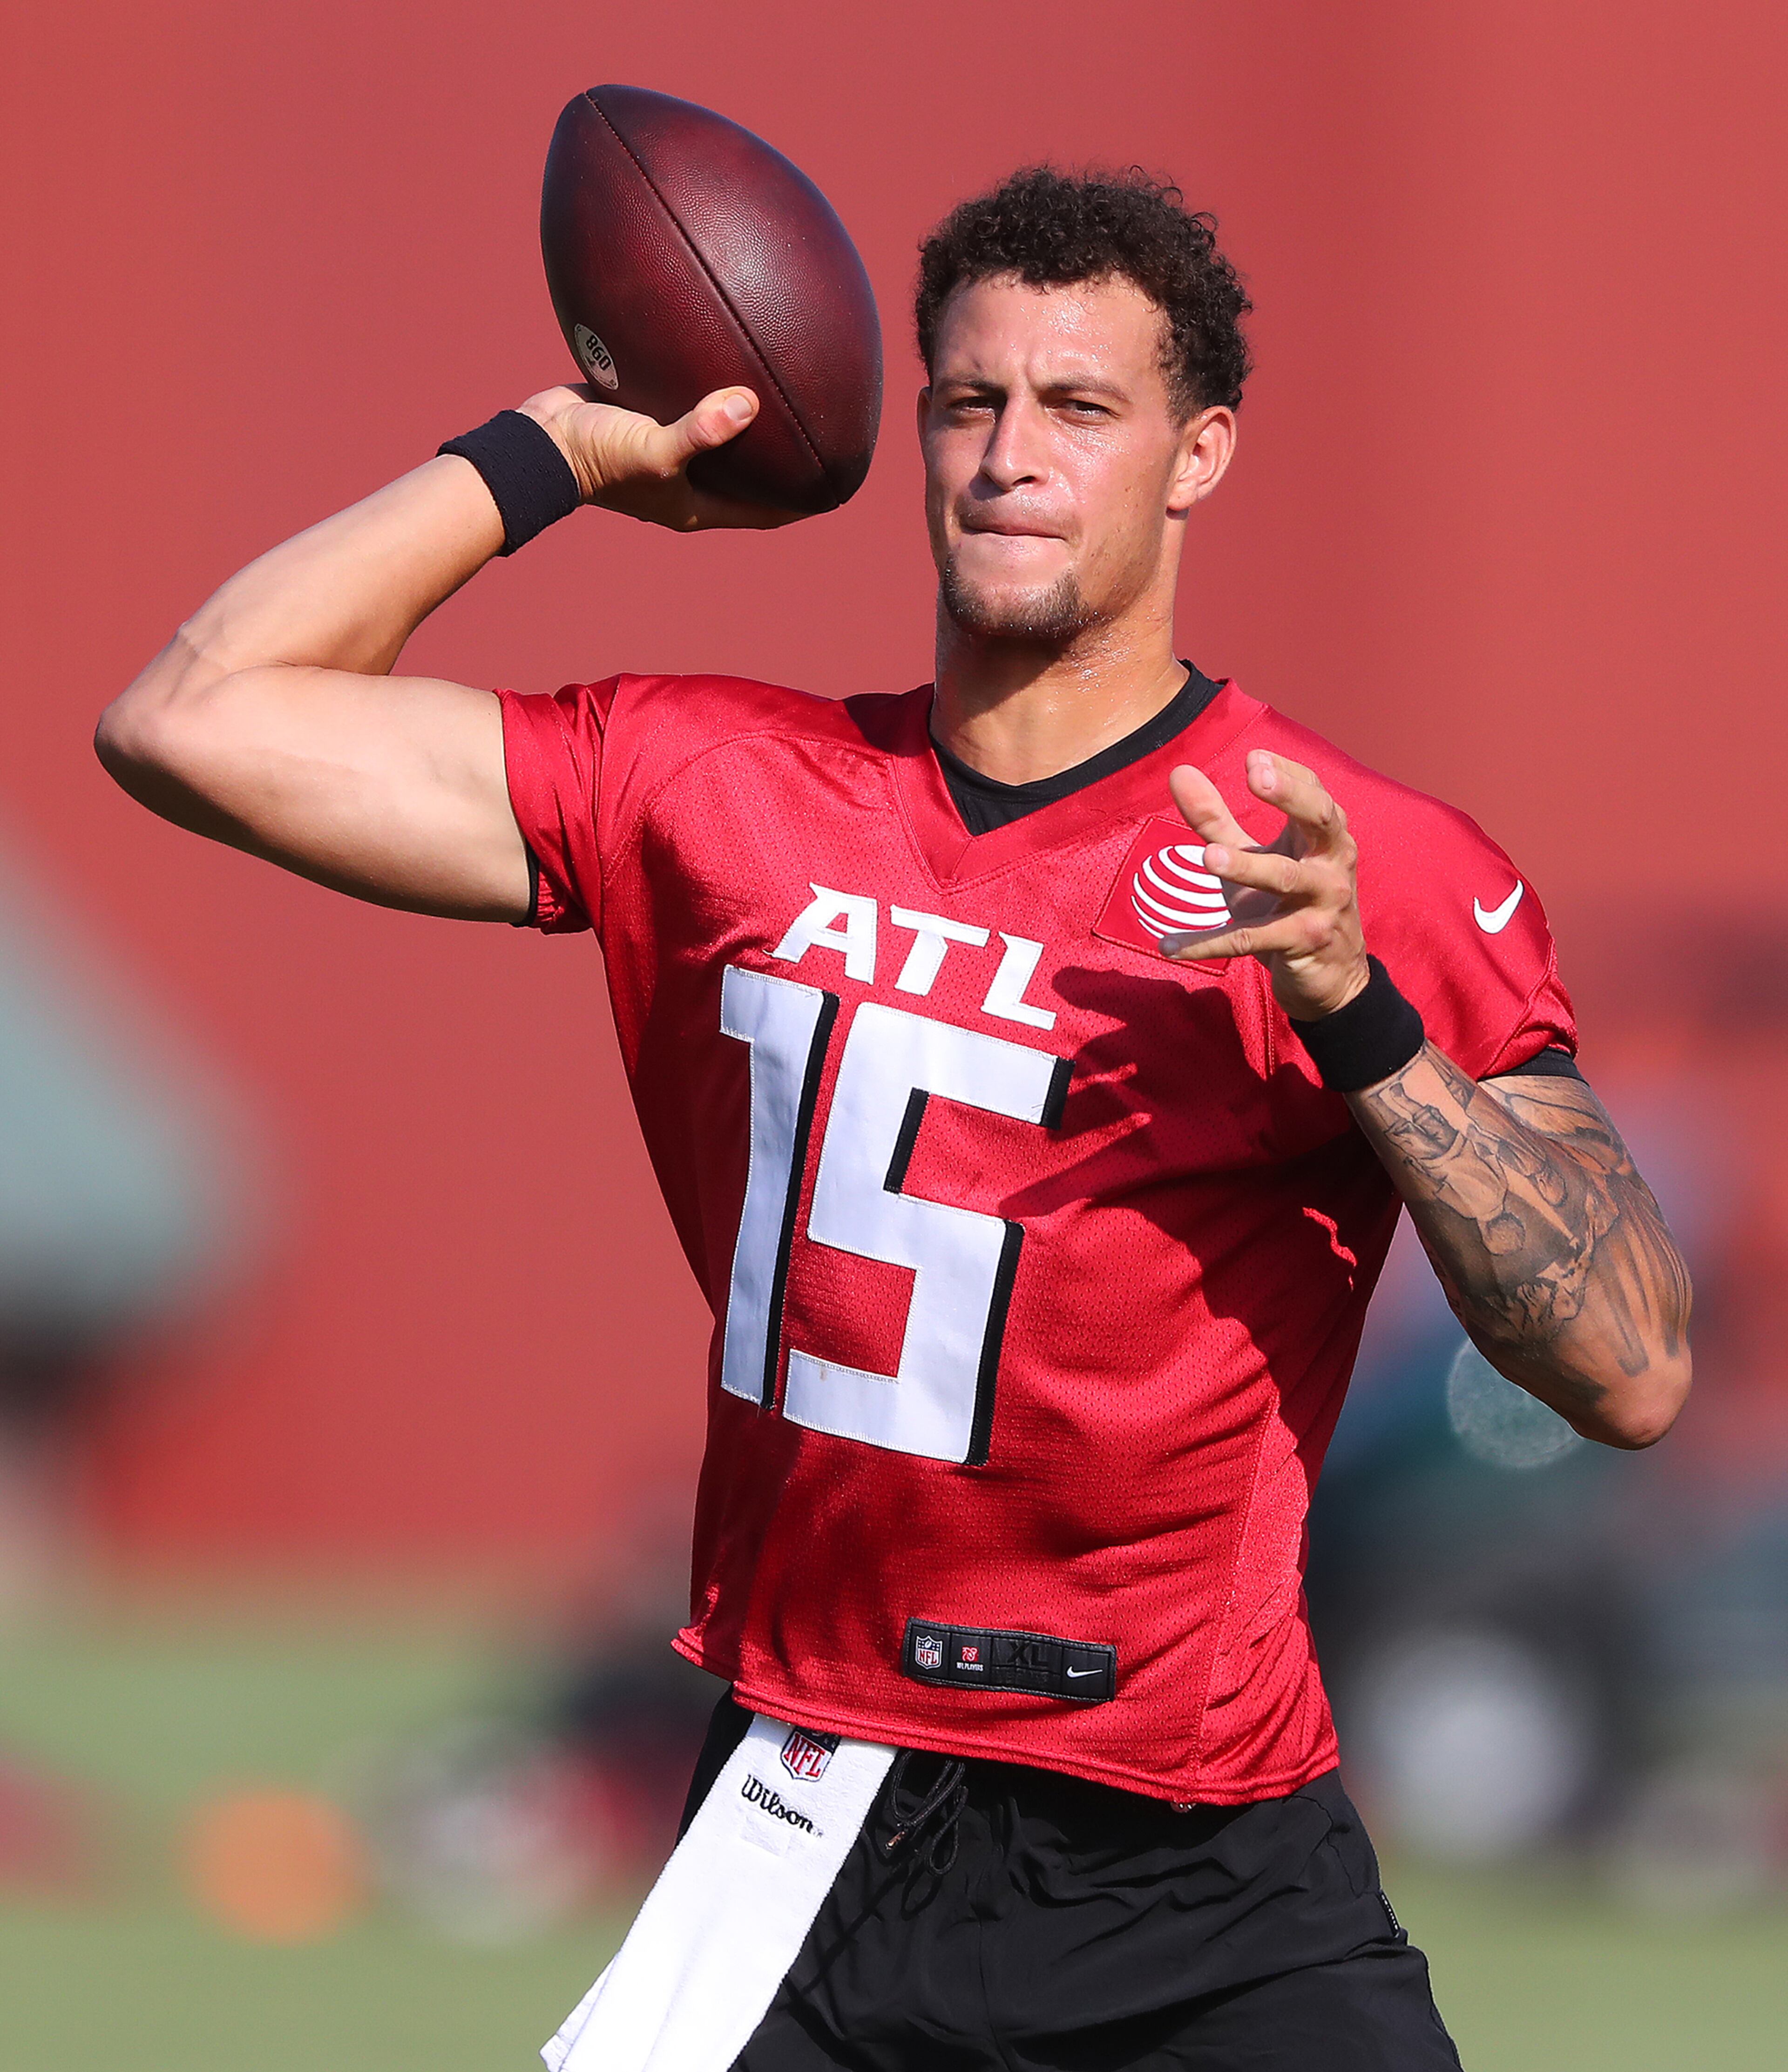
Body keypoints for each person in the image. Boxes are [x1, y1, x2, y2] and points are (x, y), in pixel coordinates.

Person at [98, 167, 1692, 2069]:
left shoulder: (1344, 862)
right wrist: (556, 449)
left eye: (1079, 408)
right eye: (970, 403)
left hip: (1203, 1864)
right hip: (813, 1814)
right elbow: (193, 717)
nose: (1011, 458)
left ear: (1198, 454)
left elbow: (1632, 1367)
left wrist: (1357, 1011)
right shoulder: (720, 787)